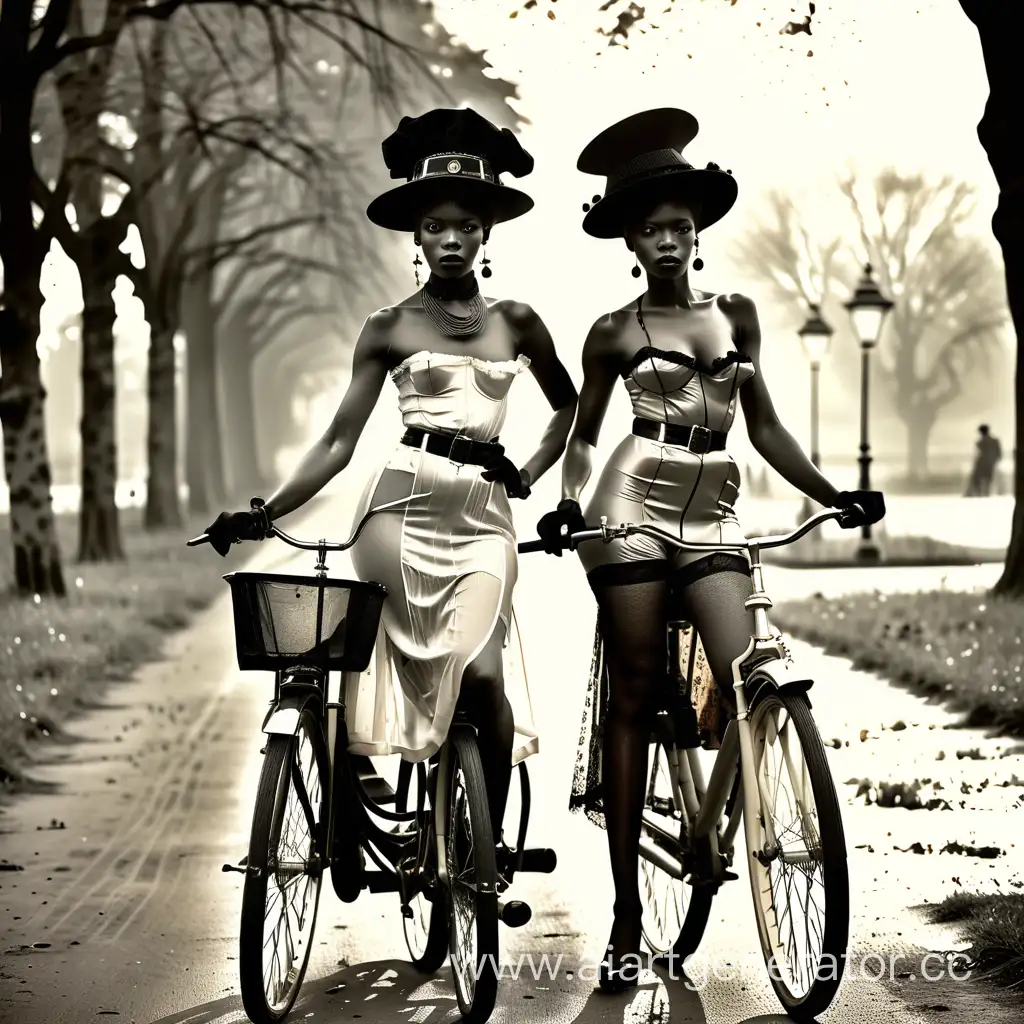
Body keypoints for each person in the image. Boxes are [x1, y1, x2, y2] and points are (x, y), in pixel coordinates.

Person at [534, 108, 885, 991]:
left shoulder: (738, 314)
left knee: (745, 678)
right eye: (649, 228)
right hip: (630, 503)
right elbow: (582, 436)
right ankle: (622, 915)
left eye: (679, 227)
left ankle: (719, 824)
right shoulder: (612, 331)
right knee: (639, 687)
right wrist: (571, 502)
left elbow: (763, 429)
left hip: (717, 506)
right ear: (629, 238)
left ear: (697, 233)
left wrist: (832, 493)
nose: (666, 240)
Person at [203, 107, 578, 870]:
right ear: (415, 234)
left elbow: (568, 405)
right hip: (396, 512)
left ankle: (487, 847)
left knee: (480, 672)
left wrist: (530, 473)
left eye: (465, 226)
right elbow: (340, 442)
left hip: (483, 517)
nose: (449, 239)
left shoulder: (520, 321)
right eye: (435, 225)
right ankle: (355, 799)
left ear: (485, 235)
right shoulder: (388, 327)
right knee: (365, 662)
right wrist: (266, 510)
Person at [965, 423, 1002, 496]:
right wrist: (996, 460)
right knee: (988, 479)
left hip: (982, 462)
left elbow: (980, 453)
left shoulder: (980, 442)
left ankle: (978, 493)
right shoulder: (995, 441)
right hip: (991, 462)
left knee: (977, 479)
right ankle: (986, 493)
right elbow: (999, 453)